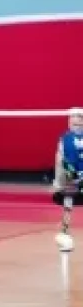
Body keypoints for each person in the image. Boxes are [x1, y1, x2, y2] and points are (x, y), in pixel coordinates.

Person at [53, 107, 83, 252]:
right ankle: (64, 233)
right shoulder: (65, 139)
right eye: (73, 124)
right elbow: (62, 160)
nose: (76, 127)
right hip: (72, 175)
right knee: (68, 202)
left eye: (79, 124)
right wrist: (64, 179)